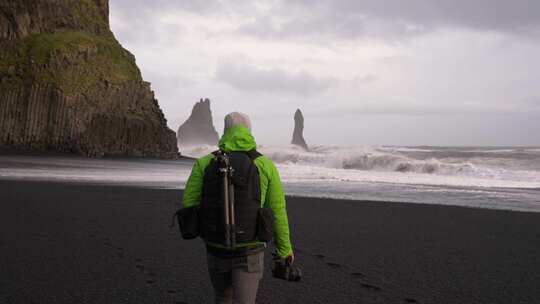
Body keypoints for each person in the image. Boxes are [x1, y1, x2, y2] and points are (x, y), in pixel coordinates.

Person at [182, 112, 294, 304]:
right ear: (249, 131)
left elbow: (189, 203)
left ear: (225, 131)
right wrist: (285, 250)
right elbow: (277, 211)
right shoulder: (265, 165)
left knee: (222, 298)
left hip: (216, 247)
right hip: (249, 251)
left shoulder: (204, 163)